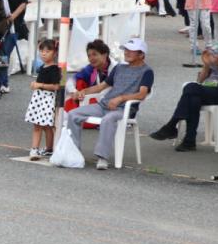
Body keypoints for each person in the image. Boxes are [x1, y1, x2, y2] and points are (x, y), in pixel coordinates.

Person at [149, 25, 218, 152]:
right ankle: (189, 140)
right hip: (207, 89)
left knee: (191, 88)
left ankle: (171, 126)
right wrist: (207, 65)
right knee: (193, 98)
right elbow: (200, 80)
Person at [66, 38, 154, 170]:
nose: (126, 53)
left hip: (123, 109)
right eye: (126, 50)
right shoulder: (119, 67)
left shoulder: (147, 71)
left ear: (141, 54)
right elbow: (101, 87)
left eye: (131, 51)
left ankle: (102, 157)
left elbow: (142, 94)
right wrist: (82, 91)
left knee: (108, 119)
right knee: (73, 114)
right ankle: (74, 152)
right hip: (104, 105)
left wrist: (121, 98)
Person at [25, 40, 61, 159]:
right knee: (43, 125)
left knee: (42, 125)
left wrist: (40, 85)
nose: (43, 54)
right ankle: (46, 148)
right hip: (39, 98)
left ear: (54, 52)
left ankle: (37, 149)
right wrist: (36, 84)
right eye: (41, 51)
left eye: (47, 51)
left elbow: (56, 86)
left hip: (47, 98)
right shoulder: (42, 67)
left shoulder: (55, 69)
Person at [64, 39, 112, 117]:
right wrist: (74, 91)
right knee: (79, 81)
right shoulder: (91, 68)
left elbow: (104, 90)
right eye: (89, 56)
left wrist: (84, 93)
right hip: (93, 101)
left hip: (110, 104)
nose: (91, 58)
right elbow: (71, 80)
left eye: (94, 54)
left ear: (104, 55)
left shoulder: (115, 68)